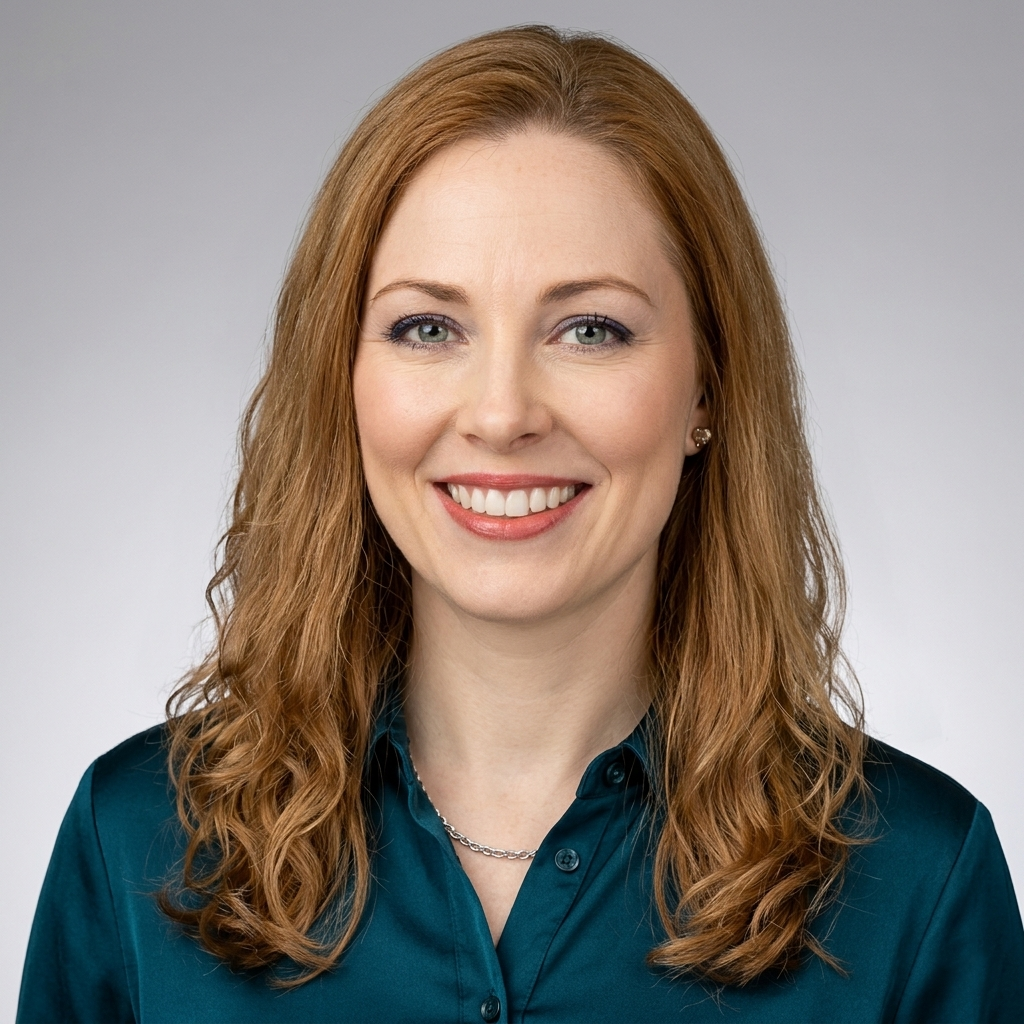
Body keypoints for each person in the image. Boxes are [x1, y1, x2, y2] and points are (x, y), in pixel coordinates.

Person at [17, 24, 1023, 1024]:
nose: (501, 413)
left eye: (589, 329)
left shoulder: (919, 884)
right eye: (427, 327)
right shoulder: (135, 840)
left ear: (707, 387)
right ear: (346, 378)